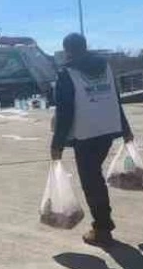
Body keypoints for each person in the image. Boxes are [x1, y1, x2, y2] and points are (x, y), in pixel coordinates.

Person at [51, 33, 134, 248]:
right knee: (94, 177)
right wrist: (125, 128)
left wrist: (57, 143)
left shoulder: (67, 72)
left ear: (68, 50)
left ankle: (103, 228)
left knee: (92, 182)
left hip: (86, 133)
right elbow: (116, 98)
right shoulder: (105, 67)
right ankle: (104, 223)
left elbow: (65, 111)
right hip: (108, 129)